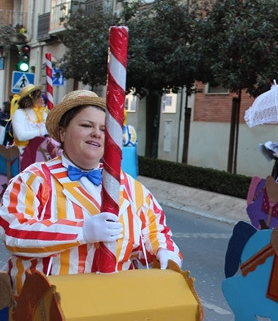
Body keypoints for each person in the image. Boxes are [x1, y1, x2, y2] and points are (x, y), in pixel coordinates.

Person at [0, 90, 181, 294]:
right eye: (86, 125)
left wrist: (164, 250)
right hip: (45, 309)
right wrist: (81, 231)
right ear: (62, 132)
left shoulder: (130, 187)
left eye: (104, 129)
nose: (97, 133)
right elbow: (14, 231)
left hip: (117, 303)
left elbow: (155, 229)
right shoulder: (33, 179)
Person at [11, 84, 49, 171]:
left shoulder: (43, 114)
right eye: (39, 96)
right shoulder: (19, 114)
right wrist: (41, 132)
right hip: (22, 153)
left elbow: (49, 130)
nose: (42, 99)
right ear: (32, 99)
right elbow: (21, 135)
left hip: (41, 152)